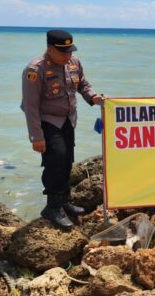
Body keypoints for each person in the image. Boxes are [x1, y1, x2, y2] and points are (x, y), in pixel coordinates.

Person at [21, 29, 104, 230]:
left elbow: (82, 83)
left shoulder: (73, 62)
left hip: (68, 119)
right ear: (50, 49)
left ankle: (64, 201)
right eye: (63, 52)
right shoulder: (35, 69)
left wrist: (93, 97)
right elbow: (30, 106)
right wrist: (36, 136)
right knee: (55, 160)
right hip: (48, 121)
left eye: (70, 51)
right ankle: (52, 207)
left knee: (67, 160)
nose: (68, 56)